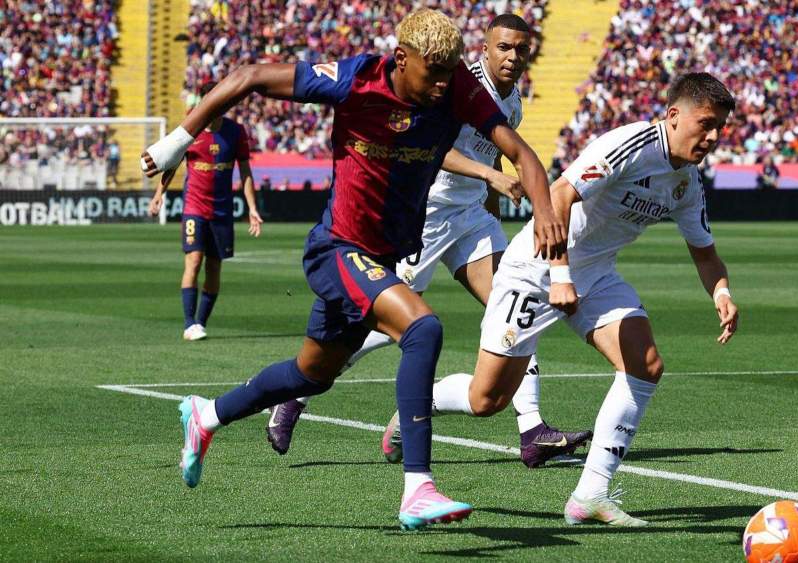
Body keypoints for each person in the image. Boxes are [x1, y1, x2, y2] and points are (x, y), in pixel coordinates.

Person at [139, 9, 565, 531]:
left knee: (310, 374)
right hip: (337, 249)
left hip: (381, 256)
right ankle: (417, 488)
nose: (440, 86)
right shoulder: (355, 79)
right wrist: (174, 143)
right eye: (431, 74)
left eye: (447, 73)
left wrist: (545, 214)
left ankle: (206, 415)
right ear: (401, 60)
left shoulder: (457, 89)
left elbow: (521, 154)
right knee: (422, 327)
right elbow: (247, 77)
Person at [265, 13, 592, 470]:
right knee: (384, 322)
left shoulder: (512, 99)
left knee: (519, 301)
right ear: (484, 48)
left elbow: (493, 148)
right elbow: (441, 147)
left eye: (521, 49)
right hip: (426, 213)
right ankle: (297, 393)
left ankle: (532, 430)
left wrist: (489, 204)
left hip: (470, 217)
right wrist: (488, 176)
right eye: (504, 47)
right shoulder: (454, 84)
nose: (513, 58)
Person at [420, 72, 740, 526]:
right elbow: (559, 196)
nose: (711, 137)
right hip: (535, 270)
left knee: (644, 364)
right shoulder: (630, 145)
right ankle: (421, 403)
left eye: (719, 129)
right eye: (705, 124)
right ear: (673, 116)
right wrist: (560, 276)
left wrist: (722, 292)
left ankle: (591, 495)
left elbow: (705, 254)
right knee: (486, 399)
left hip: (594, 276)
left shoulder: (686, 183)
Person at [148, 82, 263, 340]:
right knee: (194, 260)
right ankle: (189, 323)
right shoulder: (190, 128)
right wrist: (159, 195)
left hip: (222, 212)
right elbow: (172, 165)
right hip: (194, 208)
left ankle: (200, 323)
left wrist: (252, 208)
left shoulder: (235, 132)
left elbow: (245, 172)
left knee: (214, 267)